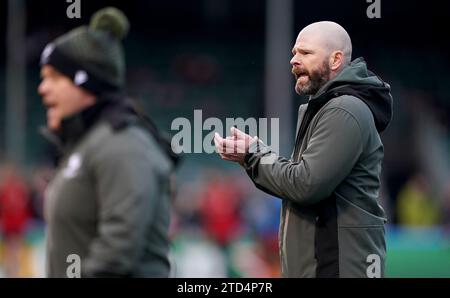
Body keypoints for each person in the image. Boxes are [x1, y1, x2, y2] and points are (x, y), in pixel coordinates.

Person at [214, 21, 393, 278]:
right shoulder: (328, 107)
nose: (294, 60)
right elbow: (304, 178)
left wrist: (253, 155)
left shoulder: (345, 110)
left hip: (337, 268)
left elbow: (305, 184)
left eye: (306, 53)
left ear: (335, 60)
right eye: (294, 53)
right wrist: (255, 151)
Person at [38, 7, 179, 277]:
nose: (42, 88)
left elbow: (116, 252)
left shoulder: (124, 145)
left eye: (54, 78)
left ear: (86, 81)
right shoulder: (88, 145)